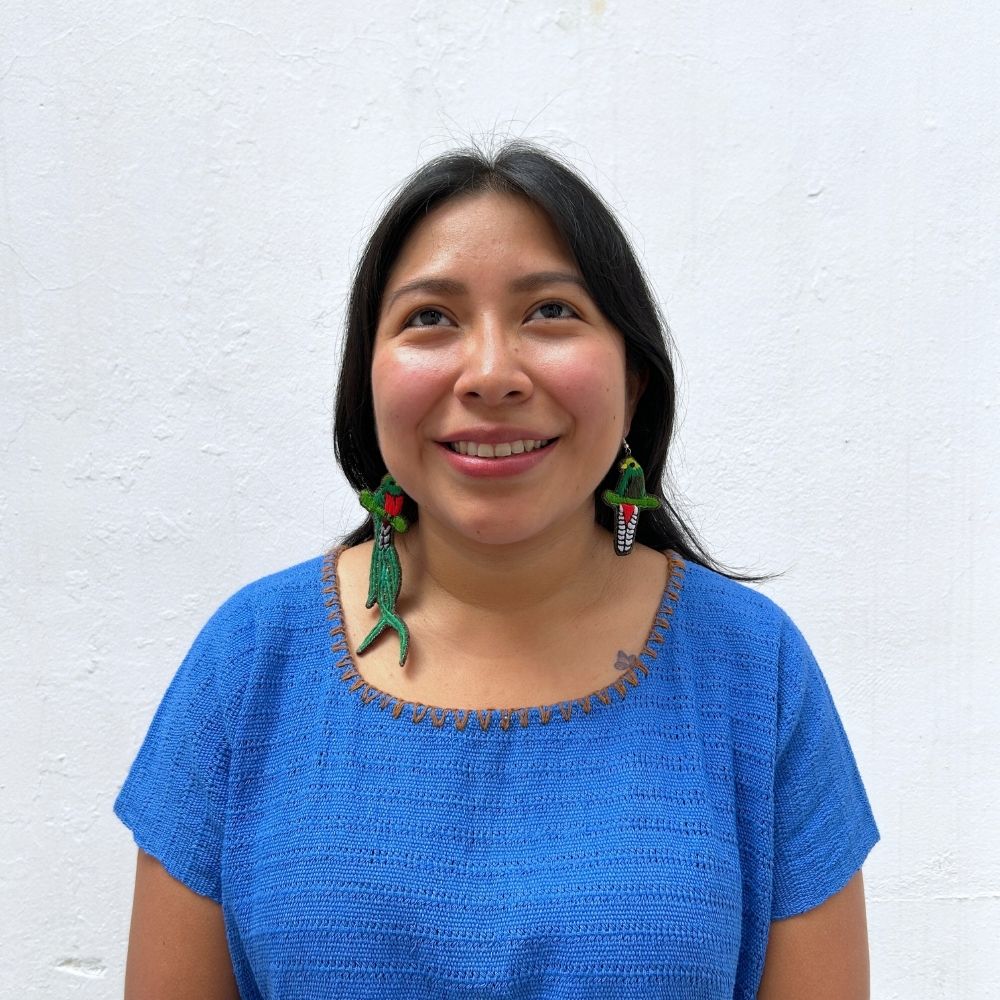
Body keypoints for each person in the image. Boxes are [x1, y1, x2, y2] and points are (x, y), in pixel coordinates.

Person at [114, 140, 880, 999]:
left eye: (550, 311)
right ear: (366, 378)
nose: (489, 374)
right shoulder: (250, 662)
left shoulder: (753, 670)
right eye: (430, 318)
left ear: (634, 377)